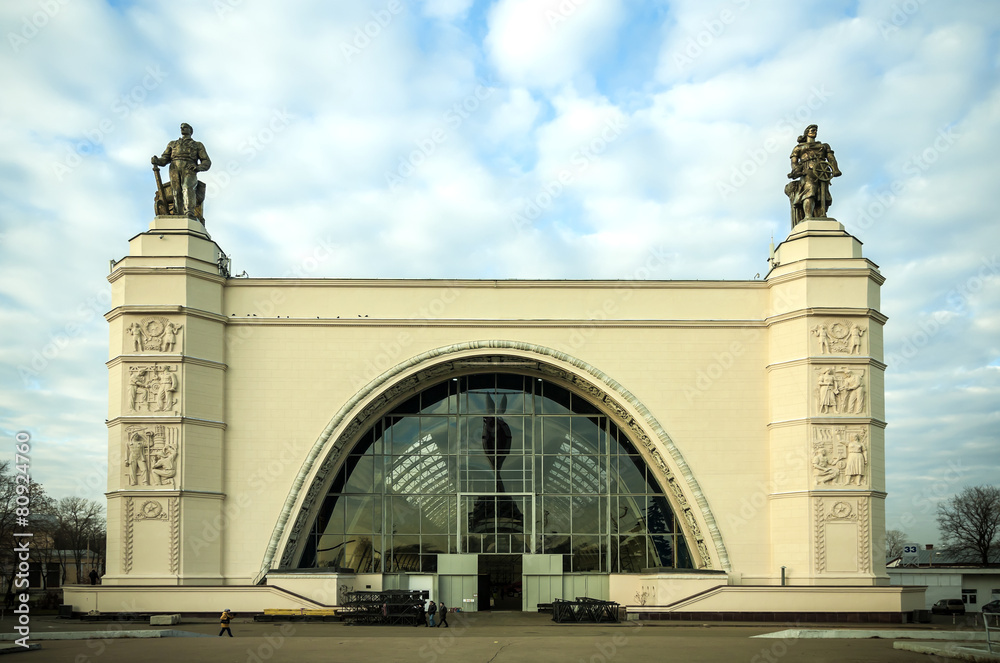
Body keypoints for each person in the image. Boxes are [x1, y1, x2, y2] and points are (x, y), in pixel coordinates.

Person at [152, 123, 212, 222]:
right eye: (181, 127)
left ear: (190, 130)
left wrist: (198, 167)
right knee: (176, 191)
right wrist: (157, 161)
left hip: (189, 167)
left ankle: (189, 212)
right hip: (174, 167)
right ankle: (178, 213)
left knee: (187, 187)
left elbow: (206, 161)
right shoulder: (172, 144)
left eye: (185, 127)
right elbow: (165, 159)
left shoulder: (197, 144)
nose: (182, 128)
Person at [784, 124, 842, 225]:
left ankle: (822, 214)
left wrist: (836, 169)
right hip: (808, 170)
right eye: (812, 130)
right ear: (807, 133)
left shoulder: (824, 146)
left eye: (815, 130)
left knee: (824, 194)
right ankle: (808, 215)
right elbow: (794, 161)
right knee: (809, 190)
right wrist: (796, 170)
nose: (814, 131)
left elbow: (831, 158)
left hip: (823, 170)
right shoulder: (799, 148)